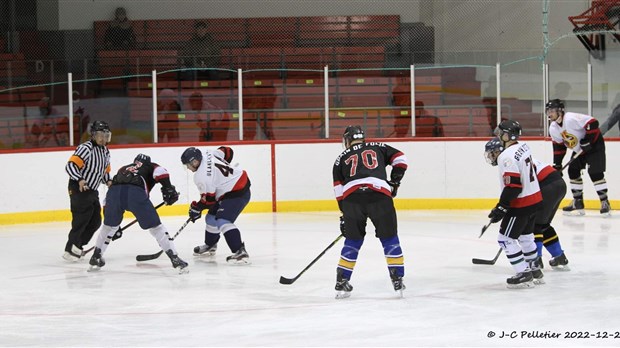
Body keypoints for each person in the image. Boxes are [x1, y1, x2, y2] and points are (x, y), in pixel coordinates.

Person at [332, 125, 408, 299]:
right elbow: (401, 159)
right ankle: (397, 277)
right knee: (389, 238)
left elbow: (338, 190)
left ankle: (342, 279)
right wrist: (394, 182)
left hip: (352, 199)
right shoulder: (378, 146)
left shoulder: (339, 159)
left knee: (353, 240)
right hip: (379, 195)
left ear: (347, 140)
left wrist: (345, 216)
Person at [87, 153, 188, 273]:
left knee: (108, 227)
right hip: (135, 194)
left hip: (113, 194)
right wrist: (168, 188)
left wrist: (113, 221)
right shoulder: (151, 166)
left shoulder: (124, 168)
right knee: (156, 228)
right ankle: (175, 259)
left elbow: (106, 200)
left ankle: (96, 257)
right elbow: (161, 172)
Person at [483, 120, 544, 289]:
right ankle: (535, 269)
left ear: (508, 135)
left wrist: (501, 207)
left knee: (505, 239)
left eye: (500, 132)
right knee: (526, 237)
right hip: (535, 200)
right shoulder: (523, 146)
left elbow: (513, 186)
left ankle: (523, 272)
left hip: (521, 204)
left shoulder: (506, 156)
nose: (498, 135)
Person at [181, 146, 252, 264]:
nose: (188, 168)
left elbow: (209, 201)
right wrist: (225, 170)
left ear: (195, 161)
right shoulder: (208, 154)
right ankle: (210, 244)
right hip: (233, 187)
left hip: (237, 192)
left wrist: (197, 208)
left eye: (188, 165)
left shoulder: (201, 176)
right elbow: (227, 150)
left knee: (222, 220)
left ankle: (240, 251)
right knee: (211, 218)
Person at [546, 99, 611, 216]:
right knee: (573, 171)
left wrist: (588, 140)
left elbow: (593, 122)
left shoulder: (570, 119)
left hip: (595, 146)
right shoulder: (553, 128)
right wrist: (557, 164)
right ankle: (578, 201)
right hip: (579, 150)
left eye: (552, 111)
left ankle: (604, 202)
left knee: (595, 173)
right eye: (548, 111)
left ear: (560, 111)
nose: (549, 114)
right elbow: (559, 147)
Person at [63, 120, 112, 261]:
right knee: (81, 219)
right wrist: (80, 179)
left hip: (91, 190)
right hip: (78, 188)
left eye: (106, 135)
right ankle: (69, 250)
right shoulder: (86, 148)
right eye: (100, 135)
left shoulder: (106, 151)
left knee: (96, 220)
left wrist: (109, 181)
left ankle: (77, 246)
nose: (103, 139)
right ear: (93, 135)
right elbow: (70, 166)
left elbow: (104, 172)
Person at [531, 157, 570, 270]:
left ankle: (536, 260)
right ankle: (559, 256)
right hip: (559, 184)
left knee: (535, 224)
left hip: (548, 186)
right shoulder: (523, 154)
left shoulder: (511, 160)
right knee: (544, 224)